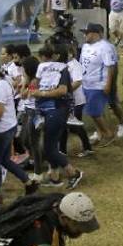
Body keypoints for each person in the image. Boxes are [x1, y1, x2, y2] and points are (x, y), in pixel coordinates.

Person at [0, 58, 39, 208]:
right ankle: (28, 182)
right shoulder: (5, 80)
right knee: (5, 160)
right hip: (10, 126)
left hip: (2, 130)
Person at [31, 46, 83, 189]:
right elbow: (33, 85)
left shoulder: (63, 69)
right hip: (46, 111)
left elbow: (63, 90)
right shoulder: (42, 68)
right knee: (50, 144)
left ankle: (73, 173)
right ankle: (54, 178)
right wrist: (31, 89)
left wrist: (41, 94)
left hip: (57, 110)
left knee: (49, 148)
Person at [79, 23, 118, 147]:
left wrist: (108, 84)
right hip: (86, 84)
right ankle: (100, 132)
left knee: (94, 112)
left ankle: (108, 134)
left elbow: (110, 67)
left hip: (98, 84)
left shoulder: (105, 47)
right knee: (92, 112)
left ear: (94, 33)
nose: (84, 35)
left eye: (87, 33)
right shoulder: (85, 46)